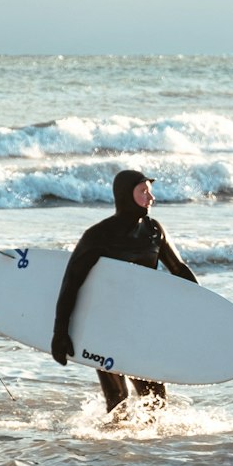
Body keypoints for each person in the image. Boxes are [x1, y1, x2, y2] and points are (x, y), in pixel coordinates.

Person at [50, 169, 197, 413]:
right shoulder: (99, 235)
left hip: (142, 325)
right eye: (143, 192)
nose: (151, 198)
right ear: (126, 195)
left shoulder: (153, 231)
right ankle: (112, 448)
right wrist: (60, 333)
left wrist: (204, 309)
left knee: (156, 399)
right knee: (118, 399)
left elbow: (179, 270)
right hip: (106, 326)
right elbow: (71, 283)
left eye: (150, 191)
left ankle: (147, 448)